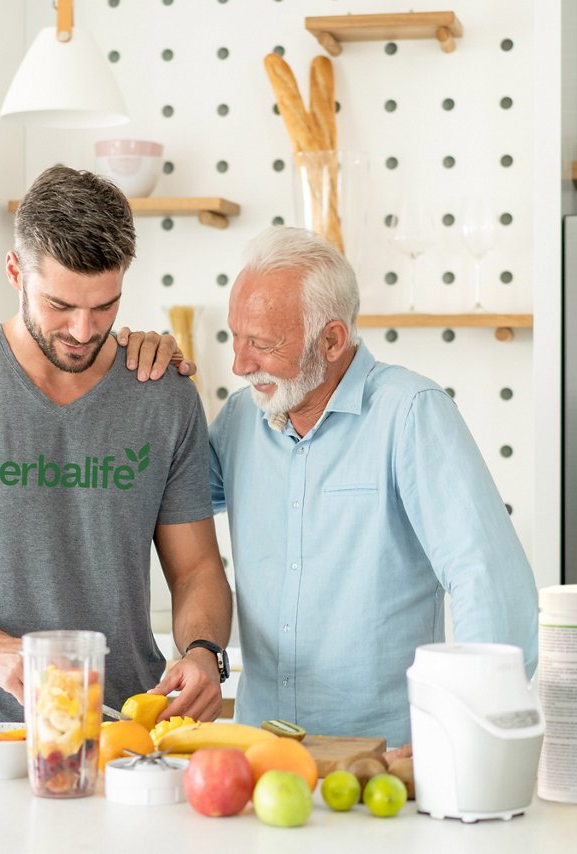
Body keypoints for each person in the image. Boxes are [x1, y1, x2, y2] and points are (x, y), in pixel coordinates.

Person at [0, 165, 232, 729]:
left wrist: (204, 651)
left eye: (105, 307)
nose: (82, 329)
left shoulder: (162, 395)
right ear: (15, 272)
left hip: (120, 729)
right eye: (60, 305)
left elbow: (197, 567)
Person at [123, 226, 538, 746]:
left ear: (333, 339)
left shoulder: (409, 413)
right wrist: (134, 384)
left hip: (384, 757)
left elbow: (487, 579)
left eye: (263, 344)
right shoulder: (239, 422)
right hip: (261, 754)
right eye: (236, 337)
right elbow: (150, 499)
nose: (239, 364)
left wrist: (471, 732)